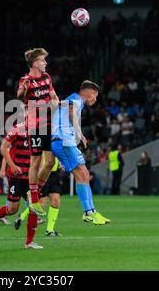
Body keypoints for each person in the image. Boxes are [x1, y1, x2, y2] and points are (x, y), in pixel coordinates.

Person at [51, 81, 110, 225]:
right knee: (82, 174)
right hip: (63, 140)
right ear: (89, 93)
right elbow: (71, 112)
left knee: (84, 174)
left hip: (64, 140)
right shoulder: (76, 99)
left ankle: (91, 211)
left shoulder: (74, 100)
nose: (95, 100)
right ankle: (88, 212)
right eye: (95, 96)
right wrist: (79, 133)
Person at [0, 123, 43, 249]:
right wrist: (11, 165)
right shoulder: (17, 129)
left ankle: (29, 242)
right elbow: (3, 148)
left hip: (31, 177)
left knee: (33, 206)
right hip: (17, 176)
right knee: (12, 210)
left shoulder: (41, 129)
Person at [17, 48, 59, 217]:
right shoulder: (25, 80)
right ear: (35, 63)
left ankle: (35, 190)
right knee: (35, 161)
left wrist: (56, 102)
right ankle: (34, 197)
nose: (46, 63)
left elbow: (54, 97)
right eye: (43, 60)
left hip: (49, 125)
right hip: (35, 126)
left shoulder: (46, 78)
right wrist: (24, 90)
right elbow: (20, 95)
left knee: (49, 161)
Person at [14, 157, 63, 236]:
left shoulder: (55, 145)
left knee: (56, 201)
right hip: (44, 174)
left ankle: (49, 230)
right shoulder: (43, 146)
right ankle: (21, 216)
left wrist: (60, 162)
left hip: (54, 175)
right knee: (41, 205)